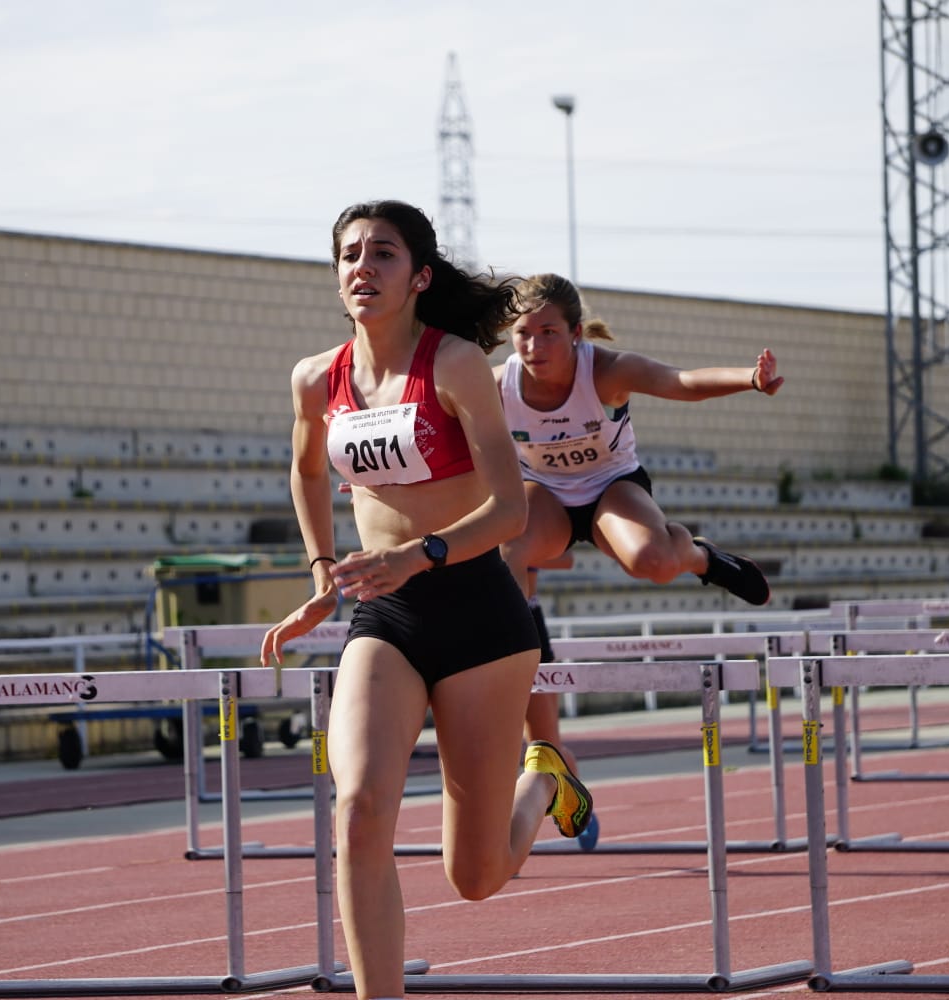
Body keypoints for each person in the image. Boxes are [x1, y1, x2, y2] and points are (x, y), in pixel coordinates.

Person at [259, 202, 593, 1000]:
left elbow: (512, 511)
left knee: (474, 876)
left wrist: (420, 553)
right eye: (349, 255)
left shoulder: (453, 366)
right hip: (387, 616)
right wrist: (319, 574)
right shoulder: (316, 379)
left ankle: (544, 774)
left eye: (382, 253)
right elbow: (307, 471)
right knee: (360, 808)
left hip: (480, 611)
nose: (362, 267)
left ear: (421, 276)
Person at [496, 273, 784, 848]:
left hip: (611, 488)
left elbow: (680, 381)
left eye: (548, 332)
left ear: (576, 334)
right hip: (544, 497)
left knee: (651, 561)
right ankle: (537, 719)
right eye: (523, 334)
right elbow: (427, 422)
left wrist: (749, 379)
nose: (534, 346)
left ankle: (697, 556)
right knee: (507, 550)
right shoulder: (494, 385)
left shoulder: (605, 370)